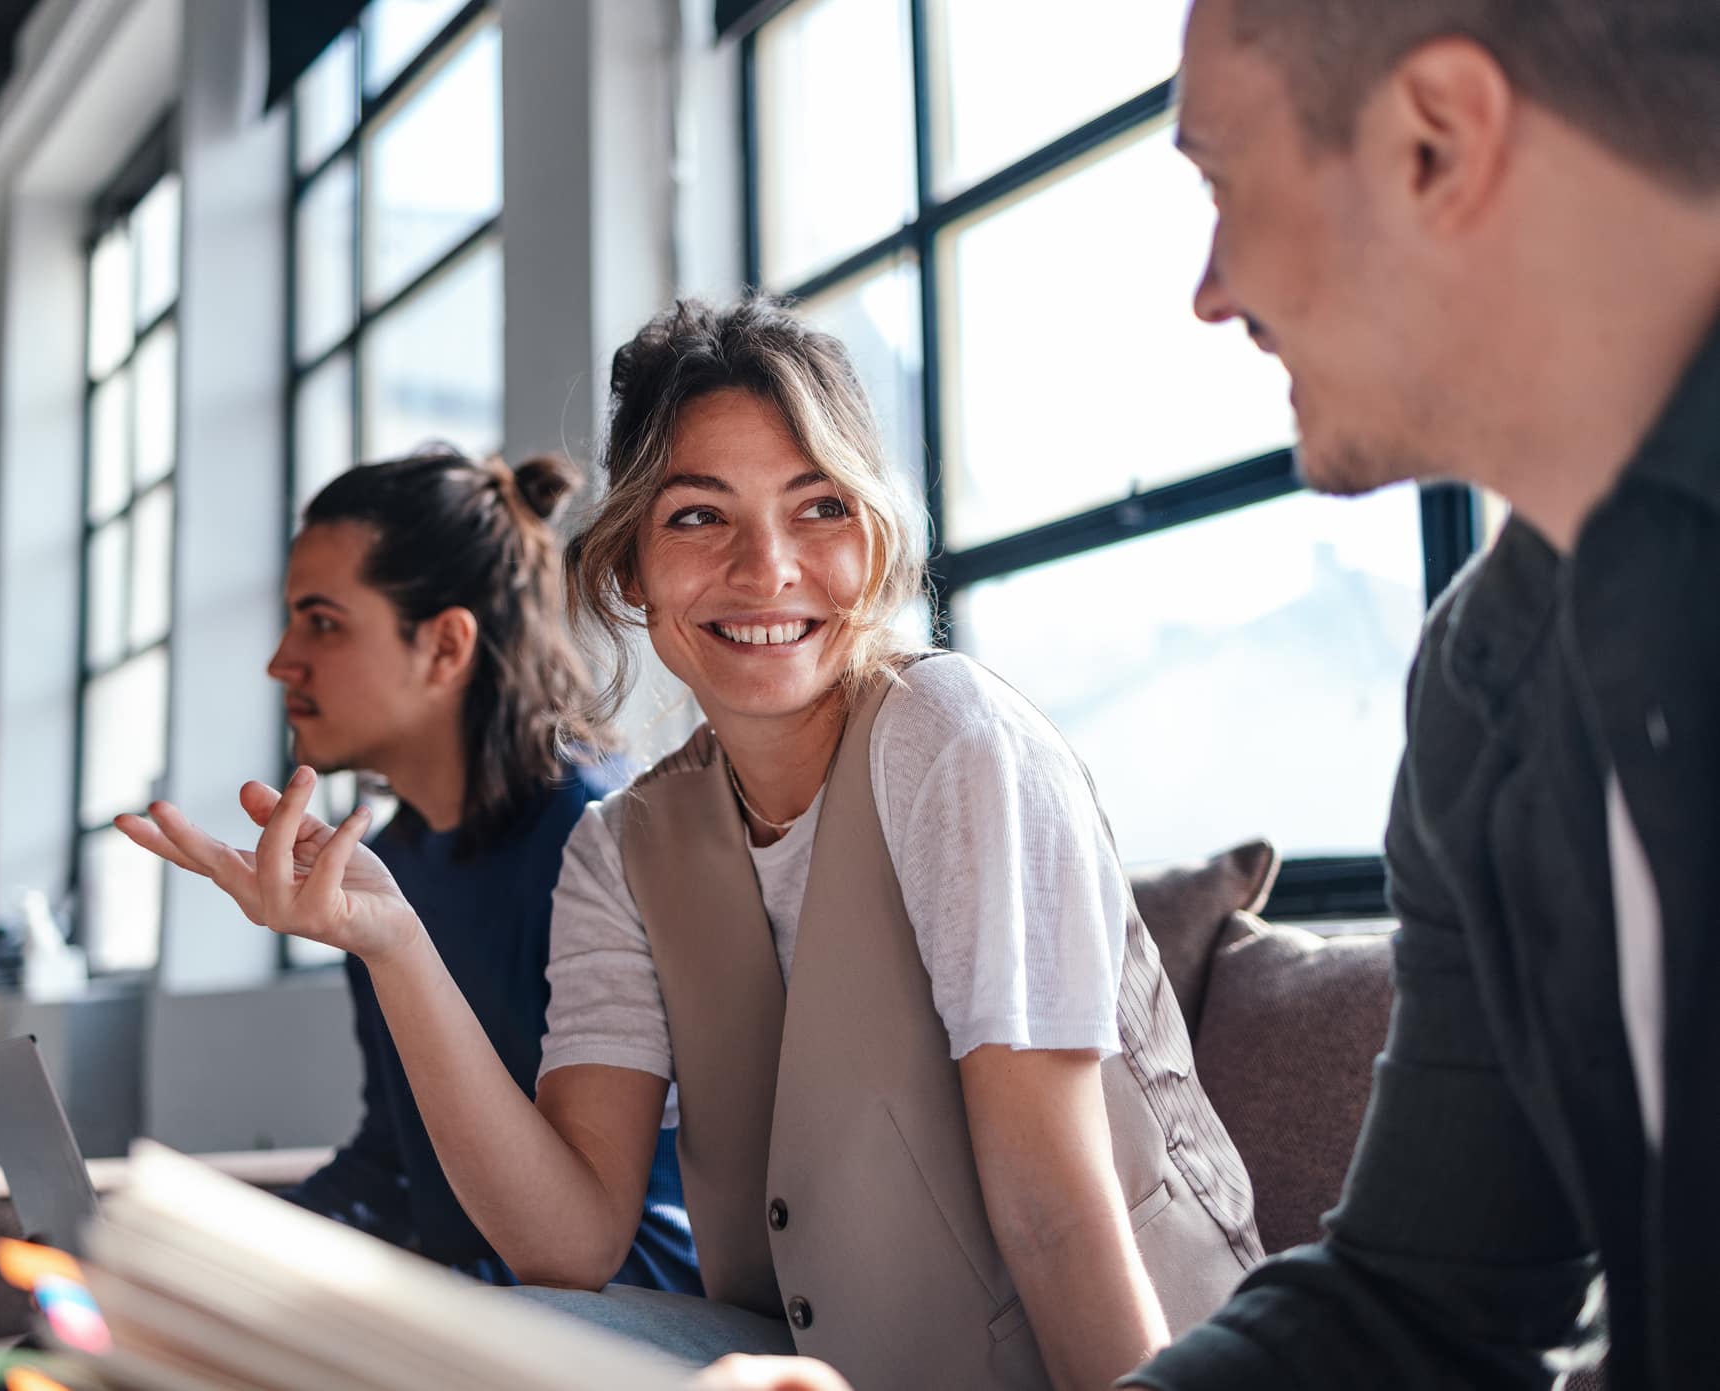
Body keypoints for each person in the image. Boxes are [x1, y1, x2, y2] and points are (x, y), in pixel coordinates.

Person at [122, 299, 1261, 1390]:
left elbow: (1055, 1210)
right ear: (629, 566)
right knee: (504, 1338)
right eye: (699, 516)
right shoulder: (619, 849)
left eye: (820, 506)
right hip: (828, 1363)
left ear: (874, 539)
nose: (765, 568)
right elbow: (567, 1242)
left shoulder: (950, 736)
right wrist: (393, 942)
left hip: (1130, 1359)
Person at [1119, 1, 1720, 1387]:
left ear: (1435, 143)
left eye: (1221, 183)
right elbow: (1418, 1303)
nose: (1210, 290)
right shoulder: (1489, 686)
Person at [122, 446, 700, 1293]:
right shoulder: (383, 868)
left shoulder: (601, 845)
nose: (281, 662)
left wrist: (396, 1311)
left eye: (322, 622)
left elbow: (647, 1246)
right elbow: (397, 1165)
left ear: (444, 646)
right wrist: (212, 1259)